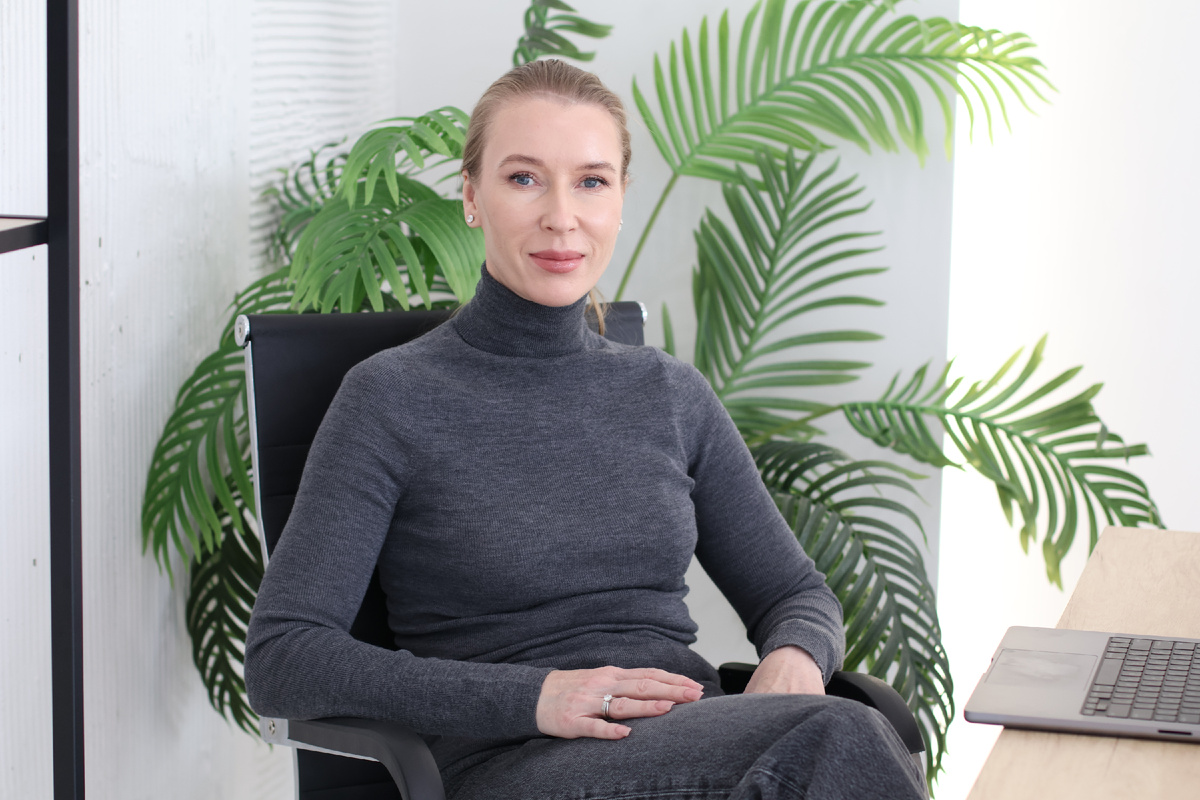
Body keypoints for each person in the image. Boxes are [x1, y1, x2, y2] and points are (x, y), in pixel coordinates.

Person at [244, 59, 926, 800]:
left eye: (592, 182)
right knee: (839, 738)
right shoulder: (390, 398)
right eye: (524, 178)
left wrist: (796, 655)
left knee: (831, 733)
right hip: (512, 762)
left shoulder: (669, 392)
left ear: (620, 200)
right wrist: (536, 696)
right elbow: (285, 656)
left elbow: (795, 591)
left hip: (691, 739)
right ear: (471, 196)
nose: (562, 216)